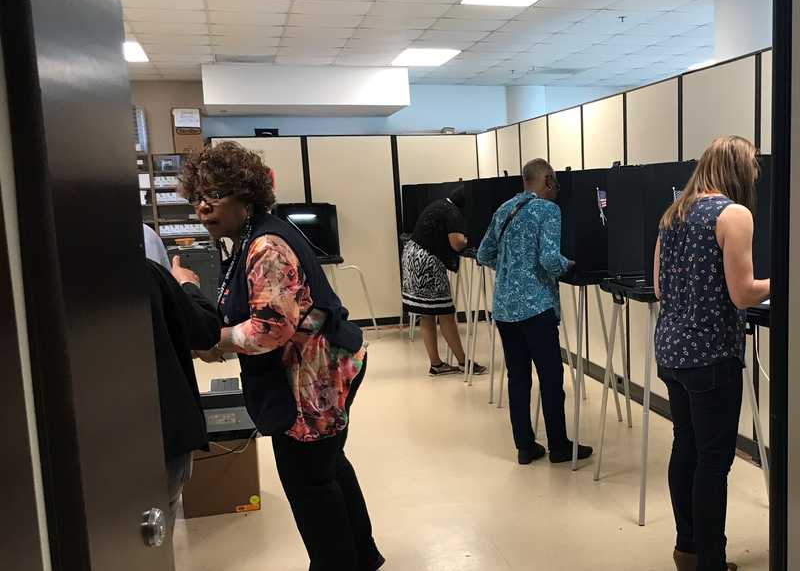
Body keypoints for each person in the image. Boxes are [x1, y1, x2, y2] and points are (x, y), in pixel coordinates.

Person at [180, 141, 383, 571]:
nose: (203, 207)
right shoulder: (250, 238)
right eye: (197, 196)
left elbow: (269, 330)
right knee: (328, 468)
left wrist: (216, 340)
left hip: (314, 379)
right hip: (322, 365)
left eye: (215, 195)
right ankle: (361, 556)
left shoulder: (265, 246)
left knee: (309, 483)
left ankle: (339, 562)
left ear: (245, 193)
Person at [653, 136, 770, 571]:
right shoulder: (733, 214)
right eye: (753, 171)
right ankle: (711, 562)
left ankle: (687, 550)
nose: (755, 179)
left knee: (685, 446)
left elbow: (661, 288)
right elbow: (742, 295)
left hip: (671, 351)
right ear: (738, 170)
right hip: (711, 356)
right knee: (713, 462)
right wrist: (786, 278)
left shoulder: (673, 214)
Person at [477, 158, 592, 465]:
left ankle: (525, 447)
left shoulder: (504, 209)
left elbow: (484, 253)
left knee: (518, 378)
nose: (556, 191)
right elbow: (549, 259)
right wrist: (572, 265)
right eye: (554, 184)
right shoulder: (548, 210)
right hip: (536, 307)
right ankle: (558, 445)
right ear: (547, 180)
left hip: (504, 307)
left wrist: (510, 271)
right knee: (551, 377)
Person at [145, 254, 220, 536]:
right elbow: (204, 330)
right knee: (155, 533)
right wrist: (187, 285)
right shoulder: (148, 273)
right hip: (164, 431)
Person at [402, 185, 486, 377]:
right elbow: (456, 243)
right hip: (427, 264)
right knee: (445, 312)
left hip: (412, 256)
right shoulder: (453, 213)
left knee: (427, 314)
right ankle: (464, 362)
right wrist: (467, 239)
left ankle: (436, 364)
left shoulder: (439, 204)